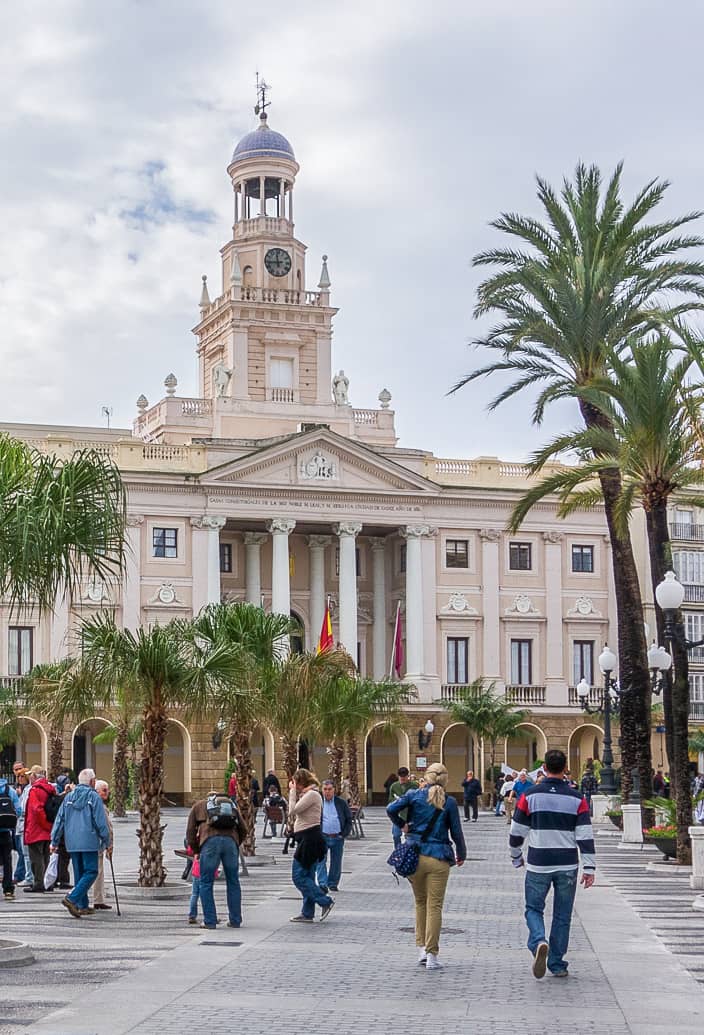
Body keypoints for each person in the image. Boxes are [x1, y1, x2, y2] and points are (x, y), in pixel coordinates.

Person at [509, 748, 596, 979]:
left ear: (544, 768)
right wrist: (589, 867)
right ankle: (557, 963)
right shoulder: (577, 799)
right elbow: (585, 835)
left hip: (539, 862)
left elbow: (517, 831)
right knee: (563, 914)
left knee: (533, 908)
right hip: (567, 863)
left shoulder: (530, 795)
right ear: (565, 768)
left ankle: (538, 941)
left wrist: (516, 856)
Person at [387, 762, 466, 970]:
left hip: (415, 856)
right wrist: (461, 854)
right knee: (435, 906)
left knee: (420, 902)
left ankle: (421, 948)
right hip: (439, 858)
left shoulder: (414, 795)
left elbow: (391, 808)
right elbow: (456, 833)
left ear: (428, 777)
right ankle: (432, 955)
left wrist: (403, 825)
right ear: (445, 779)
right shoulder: (448, 802)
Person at [50, 768, 111, 919]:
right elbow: (100, 822)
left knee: (79, 872)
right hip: (89, 840)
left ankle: (82, 905)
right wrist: (106, 840)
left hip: (72, 841)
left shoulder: (68, 798)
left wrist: (54, 840)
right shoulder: (94, 797)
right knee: (91, 871)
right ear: (92, 782)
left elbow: (60, 820)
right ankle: (72, 898)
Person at [186, 790, 247, 930]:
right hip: (230, 842)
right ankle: (235, 920)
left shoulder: (198, 806)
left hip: (209, 842)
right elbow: (243, 829)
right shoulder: (231, 806)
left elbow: (190, 831)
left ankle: (210, 921)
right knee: (233, 881)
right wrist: (235, 843)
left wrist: (196, 850)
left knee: (206, 882)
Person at [287, 769, 334, 923]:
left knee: (298, 876)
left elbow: (292, 810)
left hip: (310, 840)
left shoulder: (312, 795)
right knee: (307, 876)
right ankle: (307, 913)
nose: (296, 786)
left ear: (301, 782)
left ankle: (325, 901)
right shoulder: (309, 794)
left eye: (297, 783)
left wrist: (292, 793)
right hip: (308, 839)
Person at [23, 765, 57, 893]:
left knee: (36, 857)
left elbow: (36, 810)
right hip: (47, 829)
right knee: (45, 856)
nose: (29, 777)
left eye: (31, 775)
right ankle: (48, 882)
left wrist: (44, 824)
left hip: (36, 829)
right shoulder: (50, 789)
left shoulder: (35, 790)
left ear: (35, 776)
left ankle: (39, 882)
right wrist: (49, 826)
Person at [316, 779, 352, 893]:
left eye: (329, 789)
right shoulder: (318, 803)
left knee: (336, 862)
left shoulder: (341, 803)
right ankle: (322, 883)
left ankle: (332, 883)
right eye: (325, 789)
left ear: (334, 790)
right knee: (320, 860)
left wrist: (344, 833)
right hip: (323, 836)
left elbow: (348, 819)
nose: (327, 792)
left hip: (337, 836)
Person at [91, 780, 114, 910]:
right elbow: (107, 828)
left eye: (107, 790)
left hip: (93, 844)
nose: (107, 792)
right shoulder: (99, 806)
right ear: (97, 791)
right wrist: (109, 845)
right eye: (104, 790)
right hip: (97, 844)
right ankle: (97, 899)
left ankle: (98, 899)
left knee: (97, 872)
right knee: (96, 872)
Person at [0, 774, 21, 900]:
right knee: (7, 860)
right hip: (6, 831)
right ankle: (8, 889)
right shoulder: (10, 791)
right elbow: (18, 810)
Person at [388, 767, 419, 849]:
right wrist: (396, 800)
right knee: (396, 835)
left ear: (407, 776)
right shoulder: (394, 786)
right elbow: (390, 800)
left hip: (410, 815)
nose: (403, 779)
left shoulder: (414, 785)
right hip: (399, 815)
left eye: (404, 777)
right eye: (401, 777)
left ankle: (408, 850)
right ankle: (397, 851)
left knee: (410, 836)